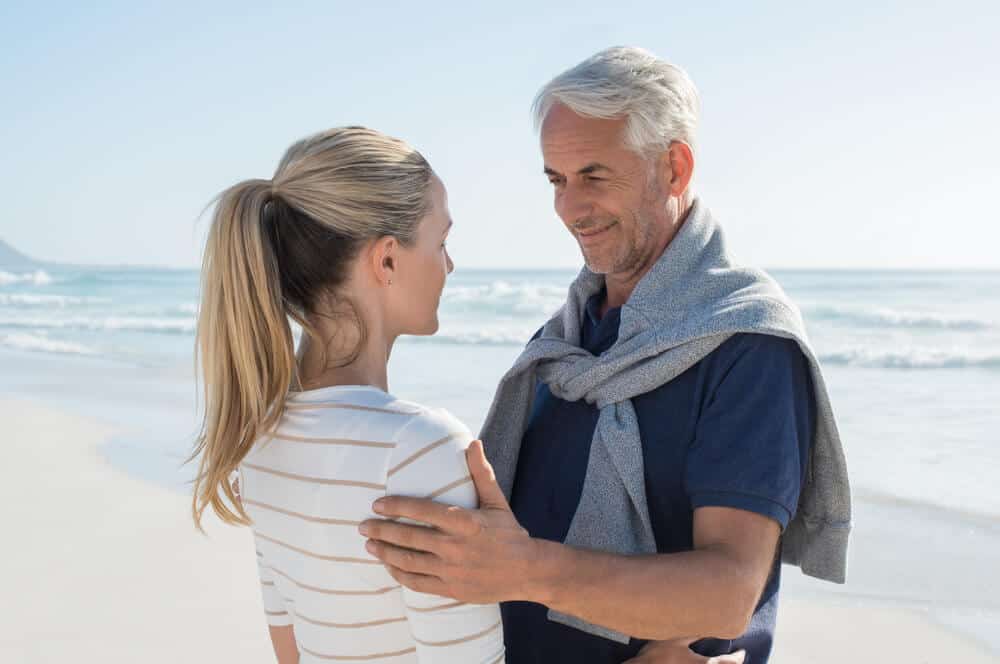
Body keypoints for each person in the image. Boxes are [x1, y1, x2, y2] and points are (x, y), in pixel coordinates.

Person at [360, 47, 851, 664]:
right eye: (557, 181)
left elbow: (728, 595)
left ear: (674, 168)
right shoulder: (562, 346)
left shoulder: (745, 345)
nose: (569, 208)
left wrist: (526, 570)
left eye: (594, 176)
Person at [188, 127, 506, 663]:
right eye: (441, 241)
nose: (448, 265)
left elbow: (288, 650)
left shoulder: (260, 436)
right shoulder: (418, 447)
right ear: (386, 260)